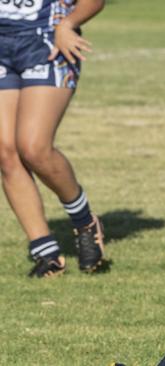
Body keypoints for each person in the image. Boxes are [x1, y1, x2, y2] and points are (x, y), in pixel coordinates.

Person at [0, 0, 106, 277]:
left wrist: (68, 24)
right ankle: (46, 253)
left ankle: (85, 223)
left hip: (48, 41)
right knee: (5, 150)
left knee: (34, 147)